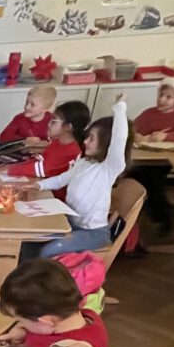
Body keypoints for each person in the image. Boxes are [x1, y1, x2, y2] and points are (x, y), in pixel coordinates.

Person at [22, 96, 131, 258]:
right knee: (29, 238)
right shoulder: (84, 162)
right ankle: (25, 272)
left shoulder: (108, 168)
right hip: (71, 223)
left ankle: (44, 274)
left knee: (49, 251)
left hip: (93, 233)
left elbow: (119, 140)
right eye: (87, 136)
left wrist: (120, 107)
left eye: (91, 138)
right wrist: (39, 185)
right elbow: (62, 179)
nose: (85, 141)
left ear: (106, 143)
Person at [130, 74, 174, 235]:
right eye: (161, 95)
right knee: (136, 178)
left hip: (163, 160)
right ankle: (143, 210)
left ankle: (162, 219)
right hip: (144, 158)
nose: (162, 99)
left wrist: (166, 136)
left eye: (169, 97)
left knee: (152, 183)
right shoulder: (149, 113)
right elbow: (133, 127)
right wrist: (136, 135)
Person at [0, 258, 109, 347]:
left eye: (22, 321)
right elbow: (45, 330)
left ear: (46, 321)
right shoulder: (87, 315)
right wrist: (25, 333)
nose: (22, 324)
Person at [3, 100, 88, 201]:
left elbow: (43, 169)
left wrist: (11, 170)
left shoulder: (71, 150)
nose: (48, 124)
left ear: (67, 127)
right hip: (44, 188)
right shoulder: (57, 142)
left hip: (56, 198)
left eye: (54, 121)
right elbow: (41, 159)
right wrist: (14, 165)